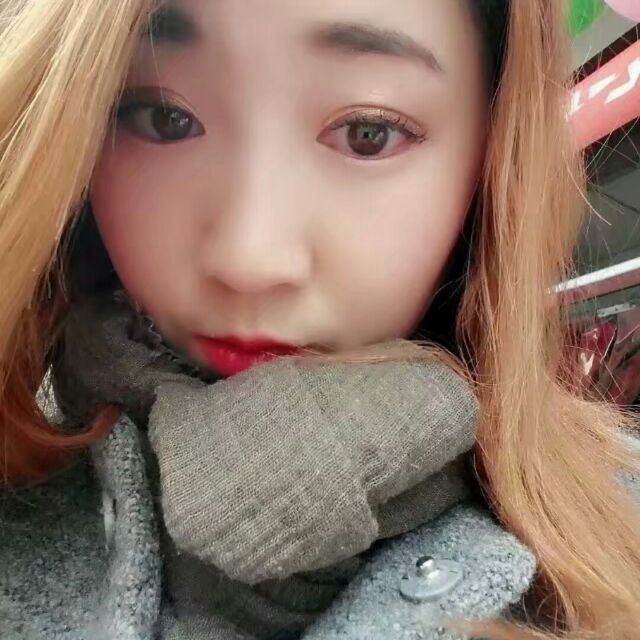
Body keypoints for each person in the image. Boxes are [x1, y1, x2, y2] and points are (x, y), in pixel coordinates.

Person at [0, 1, 638, 639]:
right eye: (165, 118)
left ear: (492, 158)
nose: (249, 258)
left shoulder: (619, 522)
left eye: (367, 132)